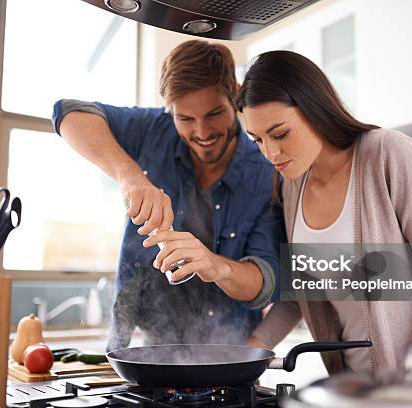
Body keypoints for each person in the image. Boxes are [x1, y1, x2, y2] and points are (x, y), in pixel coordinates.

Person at [237, 50, 412, 378]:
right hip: (358, 389)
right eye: (258, 140)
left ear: (314, 109)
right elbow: (301, 295)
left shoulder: (388, 154)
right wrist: (244, 356)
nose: (271, 153)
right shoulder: (292, 184)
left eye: (280, 134)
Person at [51, 40, 284, 350]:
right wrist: (132, 179)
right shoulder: (154, 130)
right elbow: (67, 114)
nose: (201, 133)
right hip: (144, 346)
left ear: (235, 99)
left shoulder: (265, 171)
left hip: (229, 357)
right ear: (170, 110)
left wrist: (214, 266)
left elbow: (265, 281)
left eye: (214, 114)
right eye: (185, 118)